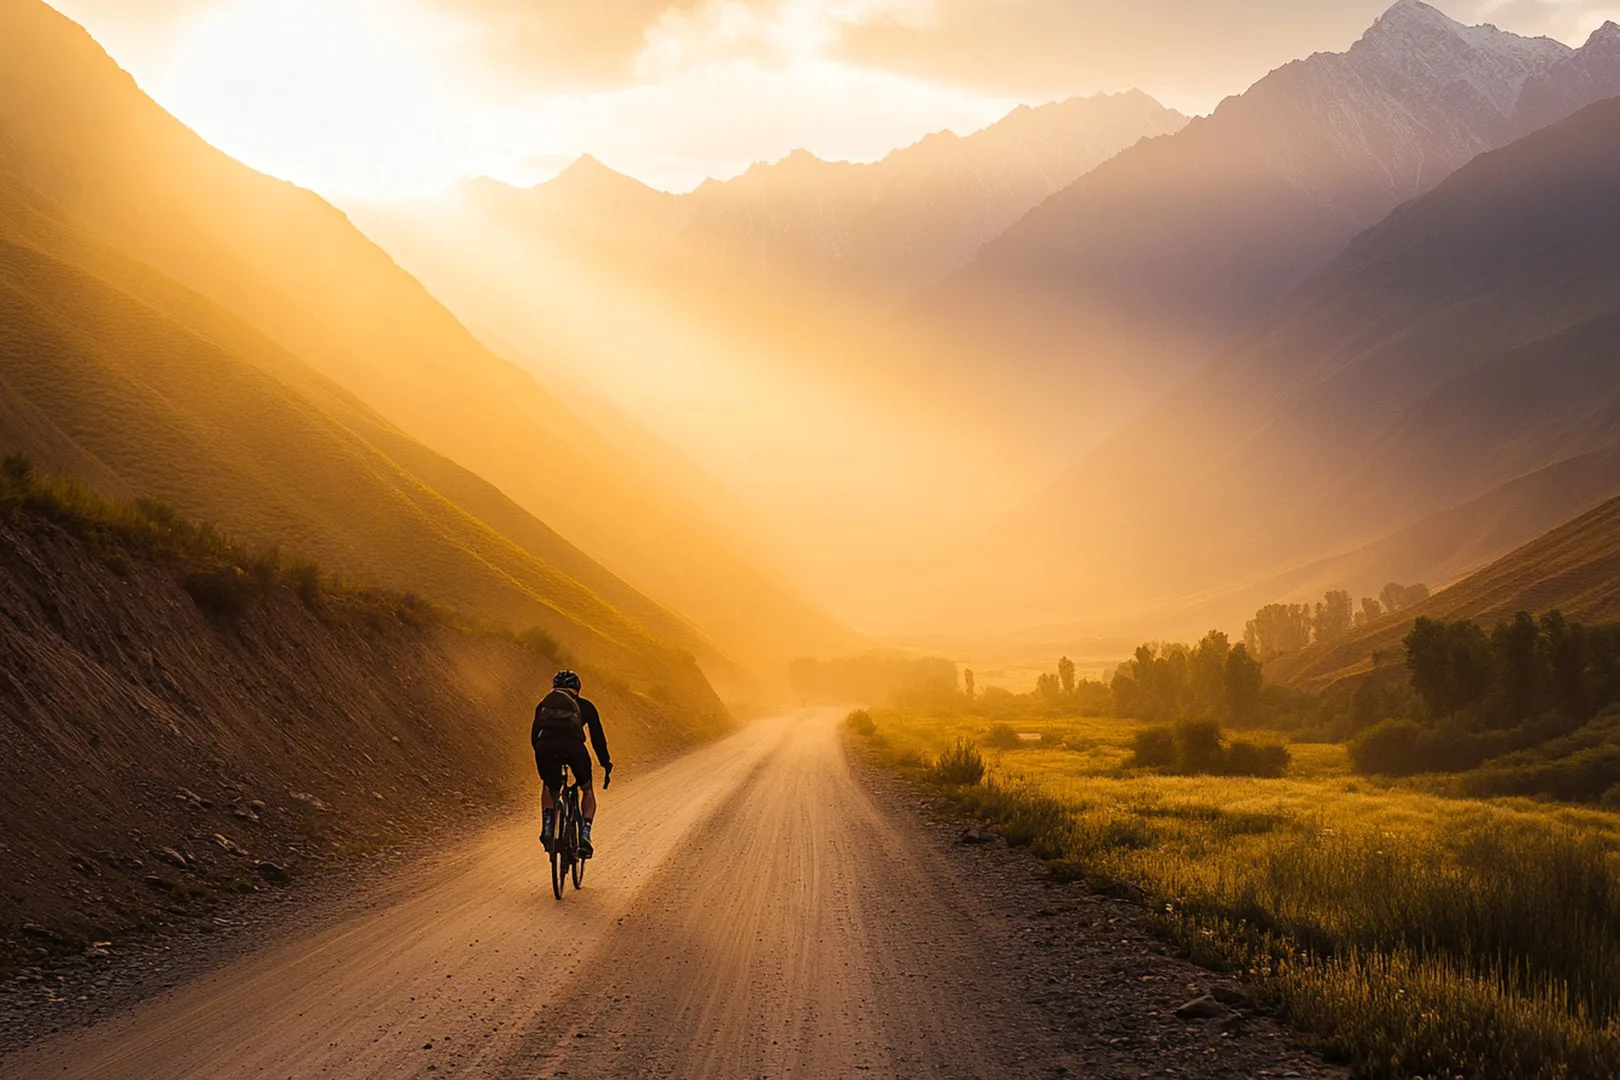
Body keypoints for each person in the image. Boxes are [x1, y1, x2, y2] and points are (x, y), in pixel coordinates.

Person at [532, 670, 612, 857]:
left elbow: (535, 736)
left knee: (549, 787)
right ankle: (585, 833)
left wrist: (544, 757)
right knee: (587, 790)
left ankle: (548, 827)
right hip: (574, 748)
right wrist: (605, 763)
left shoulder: (544, 705)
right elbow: (597, 738)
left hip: (546, 747)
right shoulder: (585, 706)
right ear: (577, 688)